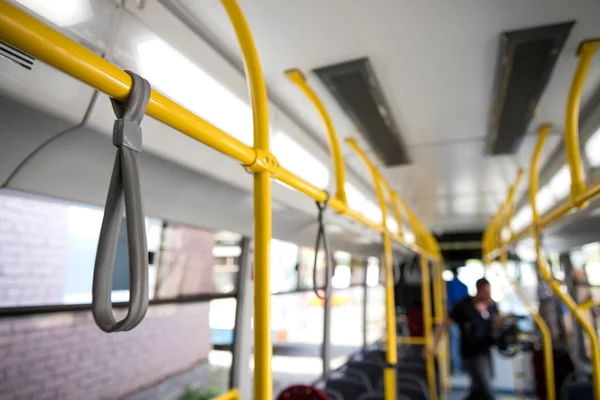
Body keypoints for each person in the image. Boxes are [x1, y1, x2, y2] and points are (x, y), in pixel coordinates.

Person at [428, 278, 502, 400]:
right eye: (485, 291)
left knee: (477, 388)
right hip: (471, 352)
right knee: (485, 387)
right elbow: (444, 325)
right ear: (478, 290)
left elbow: (498, 324)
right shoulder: (464, 306)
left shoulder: (491, 307)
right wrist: (434, 345)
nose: (488, 295)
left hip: (485, 350)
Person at [446, 267, 469, 373]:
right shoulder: (464, 286)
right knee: (459, 341)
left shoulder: (448, 285)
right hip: (462, 319)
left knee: (453, 342)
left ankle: (455, 366)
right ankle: (459, 365)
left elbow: (446, 301)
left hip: (451, 317)